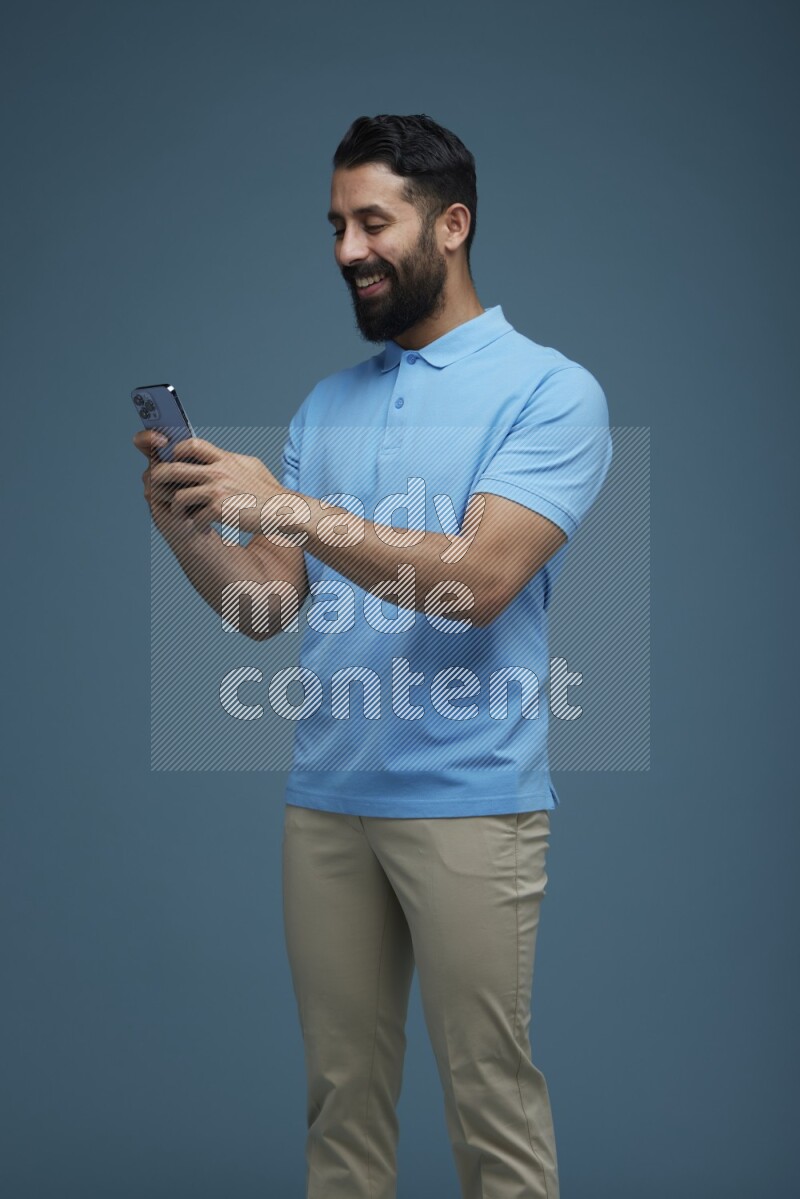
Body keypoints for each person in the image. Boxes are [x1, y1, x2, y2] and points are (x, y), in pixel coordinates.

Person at [134, 112, 612, 1199]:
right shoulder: (325, 404)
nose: (348, 248)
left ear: (451, 224)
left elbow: (478, 583)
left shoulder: (549, 391)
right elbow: (264, 610)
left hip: (470, 800)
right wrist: (189, 522)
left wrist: (288, 506)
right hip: (327, 800)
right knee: (340, 1104)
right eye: (337, 225)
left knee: (488, 1102)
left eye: (373, 221)